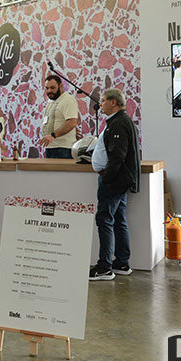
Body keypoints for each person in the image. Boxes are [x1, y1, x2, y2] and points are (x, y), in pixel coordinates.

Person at [89, 88, 141, 281]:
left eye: (103, 101)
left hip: (115, 180)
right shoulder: (119, 121)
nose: (100, 104)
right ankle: (121, 262)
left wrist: (108, 178)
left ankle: (104, 266)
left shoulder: (118, 123)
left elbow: (118, 155)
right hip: (120, 179)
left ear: (113, 102)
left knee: (104, 219)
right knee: (118, 219)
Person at [39, 74, 80, 159]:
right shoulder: (51, 100)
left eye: (52, 88)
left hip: (63, 148)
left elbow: (72, 122)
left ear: (61, 86)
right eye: (47, 88)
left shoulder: (68, 100)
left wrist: (53, 135)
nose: (49, 90)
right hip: (51, 147)